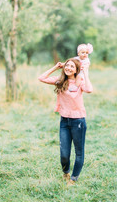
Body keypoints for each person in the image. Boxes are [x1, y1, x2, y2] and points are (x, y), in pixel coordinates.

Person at [38, 58, 93, 186]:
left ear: (76, 70)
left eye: (72, 66)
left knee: (79, 152)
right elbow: (41, 78)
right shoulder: (60, 81)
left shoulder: (79, 81)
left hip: (78, 121)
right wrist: (56, 67)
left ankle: (73, 179)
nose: (68, 68)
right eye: (67, 65)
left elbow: (89, 89)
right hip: (64, 121)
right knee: (64, 154)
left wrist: (85, 73)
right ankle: (66, 172)